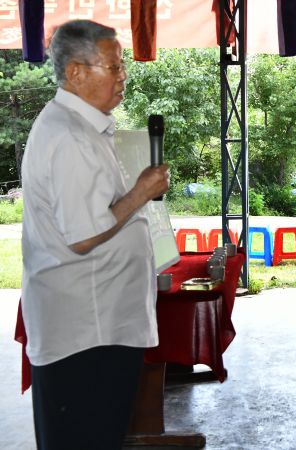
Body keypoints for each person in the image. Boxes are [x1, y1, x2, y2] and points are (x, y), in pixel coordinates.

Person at [20, 20, 169, 449]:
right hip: (86, 332)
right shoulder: (69, 136)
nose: (123, 77)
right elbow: (83, 236)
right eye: (114, 66)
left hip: (97, 325)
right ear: (76, 73)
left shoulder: (83, 126)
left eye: (122, 66)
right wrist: (141, 192)